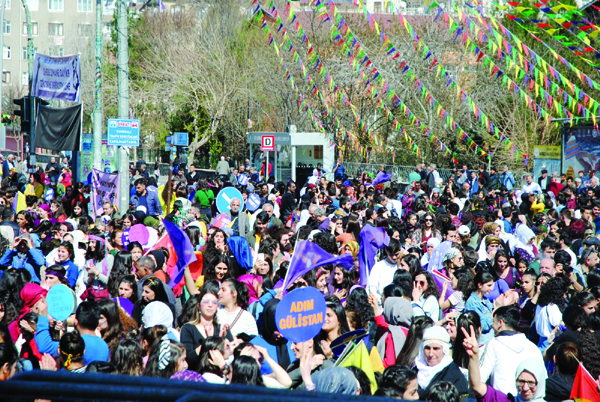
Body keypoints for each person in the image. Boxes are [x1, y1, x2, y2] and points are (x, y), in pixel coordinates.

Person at [463, 324, 548, 402]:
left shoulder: (533, 348)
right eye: (521, 382)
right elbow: (476, 386)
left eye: (531, 383)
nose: (525, 388)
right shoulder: (507, 400)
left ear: (540, 383)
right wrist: (473, 357)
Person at [479, 306, 543, 396]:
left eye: (493, 322)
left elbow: (480, 377)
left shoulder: (494, 344)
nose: (492, 326)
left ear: (500, 322)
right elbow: (543, 382)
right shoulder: (533, 348)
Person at [415, 326, 468, 400]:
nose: (431, 354)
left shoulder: (455, 375)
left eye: (436, 348)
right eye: (427, 348)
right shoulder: (415, 370)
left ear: (444, 349)